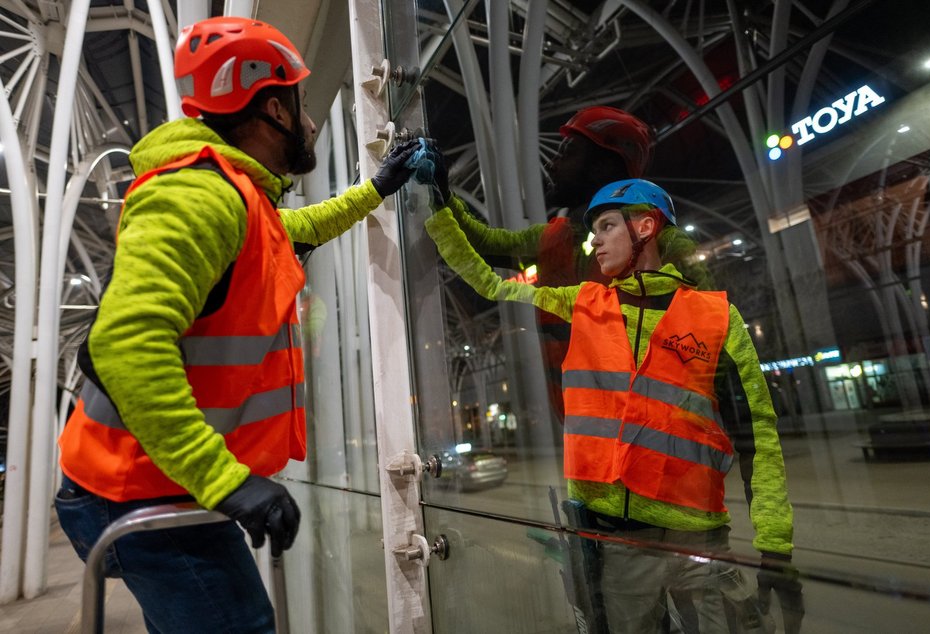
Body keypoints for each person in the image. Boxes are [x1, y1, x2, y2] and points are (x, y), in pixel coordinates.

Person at [54, 16, 419, 633]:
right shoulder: (200, 197)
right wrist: (225, 481)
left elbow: (302, 228)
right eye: (302, 106)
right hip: (134, 486)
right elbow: (126, 344)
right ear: (274, 110)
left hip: (153, 477)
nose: (308, 123)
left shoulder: (240, 199)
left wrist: (378, 187)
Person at [422, 177, 803, 633]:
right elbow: (489, 284)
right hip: (616, 541)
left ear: (645, 226)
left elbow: (759, 431)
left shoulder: (718, 316)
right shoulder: (582, 302)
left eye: (606, 226)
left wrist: (776, 547)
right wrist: (440, 206)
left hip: (699, 539)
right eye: (594, 230)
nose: (594, 240)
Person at [434, 106, 656, 419]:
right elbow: (483, 243)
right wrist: (441, 192)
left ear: (603, 166)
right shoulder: (554, 238)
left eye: (568, 152)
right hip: (587, 435)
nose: (552, 164)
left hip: (642, 434)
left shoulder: (651, 243)